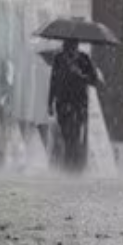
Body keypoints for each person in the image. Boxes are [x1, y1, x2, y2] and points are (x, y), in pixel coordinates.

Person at [47, 39, 102, 172]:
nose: (69, 49)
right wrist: (50, 102)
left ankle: (73, 168)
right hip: (63, 103)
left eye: (72, 46)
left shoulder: (84, 59)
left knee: (75, 136)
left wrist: (80, 75)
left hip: (79, 103)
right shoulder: (58, 59)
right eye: (67, 46)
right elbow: (53, 82)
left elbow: (94, 80)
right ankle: (70, 167)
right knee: (68, 137)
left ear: (76, 46)